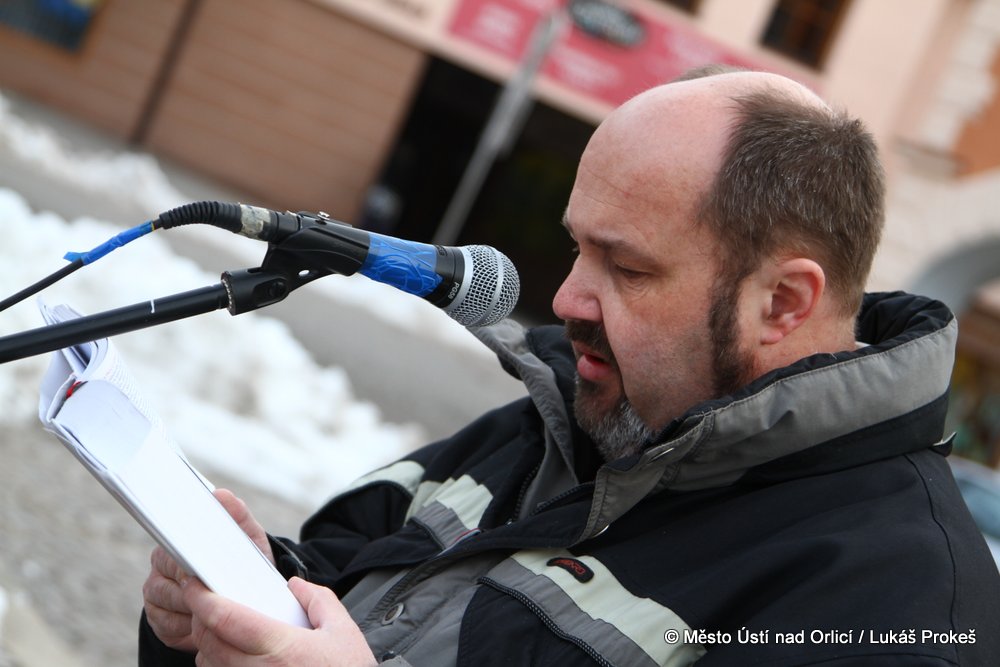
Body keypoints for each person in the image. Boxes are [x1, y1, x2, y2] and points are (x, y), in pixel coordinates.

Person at [138, 66, 1000, 666]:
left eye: (627, 268)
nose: (566, 300)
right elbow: (341, 576)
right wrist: (243, 606)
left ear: (783, 302)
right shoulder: (562, 417)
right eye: (578, 248)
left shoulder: (905, 601)